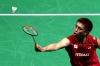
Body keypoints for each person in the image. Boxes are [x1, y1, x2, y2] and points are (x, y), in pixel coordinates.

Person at [35, 18, 100, 66]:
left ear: (86, 32)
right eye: (76, 26)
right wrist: (44, 49)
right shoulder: (70, 41)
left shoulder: (93, 41)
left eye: (80, 28)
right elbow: (56, 45)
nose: (76, 30)